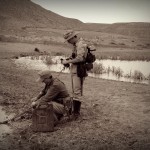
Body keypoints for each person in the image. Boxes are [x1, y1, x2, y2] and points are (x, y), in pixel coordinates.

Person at [62, 30, 88, 119]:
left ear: (74, 37)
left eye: (69, 39)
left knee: (77, 91)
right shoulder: (76, 45)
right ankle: (74, 111)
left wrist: (68, 61)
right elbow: (74, 56)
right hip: (75, 69)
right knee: (74, 91)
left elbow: (80, 58)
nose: (68, 42)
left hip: (79, 70)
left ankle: (76, 113)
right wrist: (68, 59)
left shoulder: (80, 44)